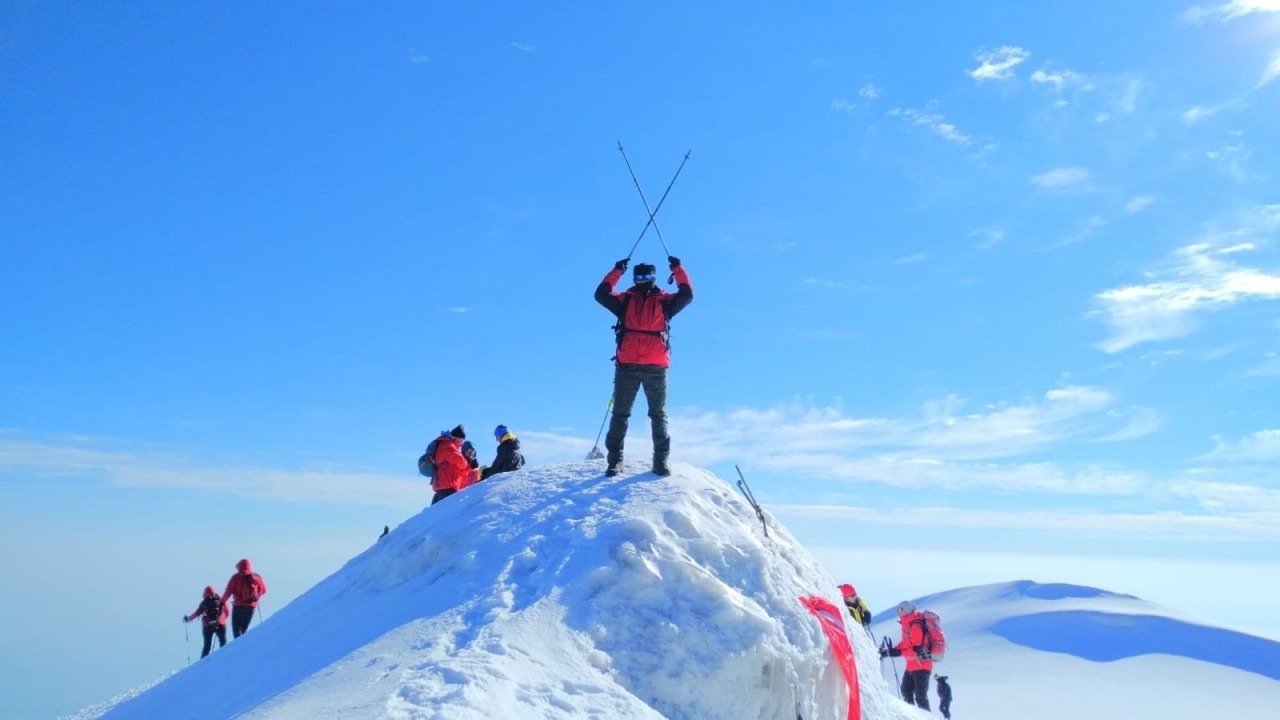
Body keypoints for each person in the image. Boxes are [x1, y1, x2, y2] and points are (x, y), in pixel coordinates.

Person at [594, 256, 694, 477]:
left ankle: (660, 462)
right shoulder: (625, 300)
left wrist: (678, 269)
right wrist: (617, 271)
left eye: (646, 276)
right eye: (637, 276)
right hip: (627, 365)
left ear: (654, 276)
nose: (641, 280)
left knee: (658, 415)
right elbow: (601, 294)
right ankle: (614, 462)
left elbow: (687, 294)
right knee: (620, 414)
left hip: (655, 366)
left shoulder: (664, 301)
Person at [878, 600, 932, 710]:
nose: (898, 612)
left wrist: (898, 652)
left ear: (906, 610)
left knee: (920, 697)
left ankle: (927, 717)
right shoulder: (908, 624)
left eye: (900, 609)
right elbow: (906, 643)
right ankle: (911, 716)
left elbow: (917, 650)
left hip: (921, 666)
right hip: (912, 666)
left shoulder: (915, 626)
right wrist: (892, 650)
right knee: (906, 691)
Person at [220, 558, 267, 639]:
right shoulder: (257, 577)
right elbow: (264, 590)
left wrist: (222, 602)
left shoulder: (235, 577)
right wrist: (255, 597)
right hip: (251, 607)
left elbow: (228, 592)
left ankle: (238, 646)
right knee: (243, 630)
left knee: (236, 631)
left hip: (238, 606)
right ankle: (244, 645)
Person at [430, 425, 473, 505]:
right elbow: (461, 463)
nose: (461, 443)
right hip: (447, 486)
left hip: (440, 485)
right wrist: (468, 463)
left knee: (436, 511)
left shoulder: (442, 444)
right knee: (450, 511)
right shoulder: (449, 446)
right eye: (461, 440)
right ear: (456, 438)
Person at [183, 585, 228, 658]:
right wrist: (221, 619)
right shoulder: (220, 600)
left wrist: (188, 619)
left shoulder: (204, 603)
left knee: (207, 646)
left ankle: (202, 662)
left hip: (207, 625)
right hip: (220, 623)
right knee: (223, 641)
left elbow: (197, 613)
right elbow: (228, 612)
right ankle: (224, 658)